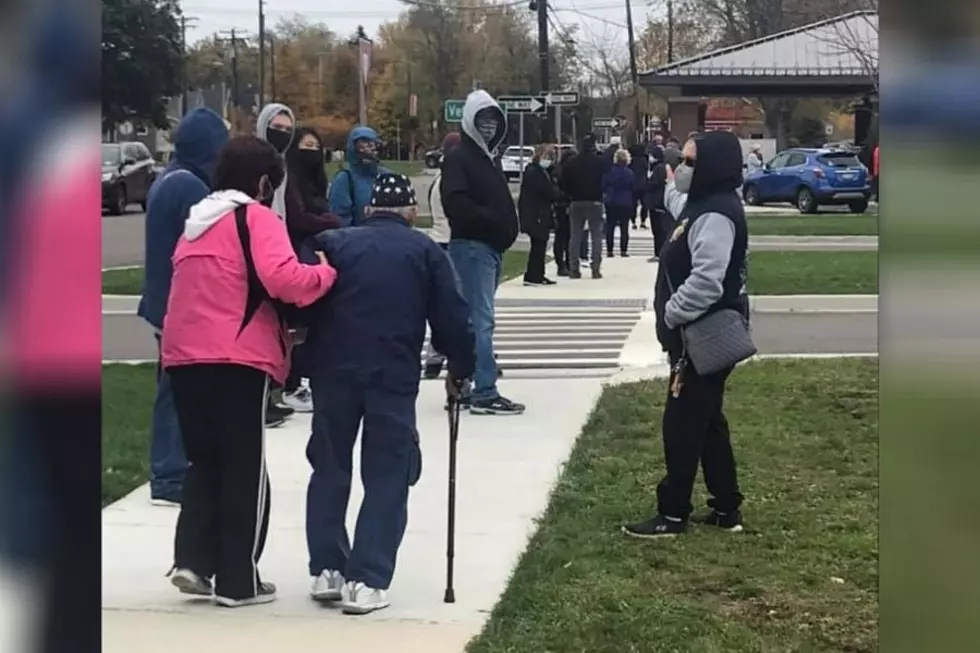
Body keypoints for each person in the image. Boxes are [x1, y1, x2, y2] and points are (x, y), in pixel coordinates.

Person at [162, 135, 337, 606]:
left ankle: (194, 562)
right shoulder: (255, 217)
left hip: (182, 357)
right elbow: (285, 280)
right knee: (244, 467)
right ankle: (239, 580)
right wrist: (324, 272)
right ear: (263, 182)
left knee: (205, 462)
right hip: (237, 357)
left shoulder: (195, 224)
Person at [303, 173, 475, 615]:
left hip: (331, 372)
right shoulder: (423, 251)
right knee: (388, 473)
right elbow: (452, 317)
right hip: (391, 375)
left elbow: (303, 293)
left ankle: (327, 568)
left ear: (368, 210)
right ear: (411, 213)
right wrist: (460, 368)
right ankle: (367, 578)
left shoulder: (334, 243)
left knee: (329, 466)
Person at [623, 131, 748, 539]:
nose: (681, 169)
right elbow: (674, 201)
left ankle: (672, 514)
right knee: (708, 421)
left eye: (691, 162)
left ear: (711, 166)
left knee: (682, 425)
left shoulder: (715, 215)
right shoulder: (701, 206)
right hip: (697, 334)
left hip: (702, 334)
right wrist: (664, 173)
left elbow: (708, 282)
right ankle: (726, 507)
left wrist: (671, 314)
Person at [137, 107, 229, 507]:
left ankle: (171, 470)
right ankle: (169, 476)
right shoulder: (191, 188)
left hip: (162, 300)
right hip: (179, 304)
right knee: (178, 393)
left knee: (173, 389)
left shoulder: (169, 179)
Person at [441, 89, 524, 415]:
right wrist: (491, 222)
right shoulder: (460, 157)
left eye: (493, 120)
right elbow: (456, 203)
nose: (488, 126)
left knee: (474, 321)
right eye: (483, 120)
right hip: (473, 248)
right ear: (469, 121)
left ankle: (463, 382)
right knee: (481, 321)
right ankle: (485, 391)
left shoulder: (487, 158)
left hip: (488, 249)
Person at [280, 126, 343, 412]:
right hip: (293, 252)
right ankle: (289, 384)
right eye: (306, 145)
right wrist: (329, 221)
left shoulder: (318, 181)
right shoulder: (289, 179)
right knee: (294, 322)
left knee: (310, 322)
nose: (312, 152)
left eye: (316, 146)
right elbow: (298, 216)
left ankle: (300, 379)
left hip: (314, 251)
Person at [255, 103, 300, 427]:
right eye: (276, 128)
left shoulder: (283, 165)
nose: (281, 134)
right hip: (258, 252)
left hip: (279, 249)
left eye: (287, 130)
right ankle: (260, 399)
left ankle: (273, 394)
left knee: (277, 329)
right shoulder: (254, 162)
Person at [422, 131, 462, 380]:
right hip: (449, 242)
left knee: (444, 305)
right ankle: (447, 355)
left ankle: (435, 357)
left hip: (441, 241)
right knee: (454, 307)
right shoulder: (450, 179)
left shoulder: (441, 177)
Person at [560, 133, 606, 279]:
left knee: (575, 236)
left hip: (576, 201)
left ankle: (574, 268)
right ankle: (595, 268)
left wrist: (569, 195)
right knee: (596, 236)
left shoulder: (571, 163)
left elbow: (563, 182)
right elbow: (606, 180)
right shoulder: (600, 162)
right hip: (595, 201)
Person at [329, 125, 389, 226]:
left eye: (372, 144)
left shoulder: (388, 176)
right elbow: (340, 218)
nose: (368, 149)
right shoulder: (345, 179)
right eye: (362, 145)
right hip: (358, 238)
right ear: (353, 148)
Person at [519, 143, 560, 285]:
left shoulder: (539, 172)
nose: (549, 160)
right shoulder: (535, 173)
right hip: (536, 214)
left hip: (539, 213)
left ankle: (537, 273)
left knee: (540, 245)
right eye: (547, 156)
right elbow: (548, 192)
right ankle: (533, 275)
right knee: (538, 244)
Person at [602, 148, 635, 258]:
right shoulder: (630, 173)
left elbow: (604, 185)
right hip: (625, 201)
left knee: (610, 226)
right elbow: (633, 187)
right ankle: (623, 250)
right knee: (624, 227)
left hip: (611, 200)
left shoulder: (609, 172)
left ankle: (610, 250)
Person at [552, 146, 576, 277]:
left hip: (563, 206)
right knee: (564, 237)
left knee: (564, 237)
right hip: (563, 206)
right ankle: (563, 264)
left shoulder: (559, 170)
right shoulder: (561, 172)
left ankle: (564, 263)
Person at [644, 144, 670, 261]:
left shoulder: (658, 168)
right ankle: (659, 253)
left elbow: (653, 184)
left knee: (658, 230)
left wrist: (648, 181)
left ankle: (659, 253)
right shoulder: (662, 167)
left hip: (657, 202)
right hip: (660, 202)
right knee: (660, 230)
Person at [628, 143, 650, 229]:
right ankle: (643, 221)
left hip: (633, 185)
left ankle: (633, 222)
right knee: (645, 204)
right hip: (643, 184)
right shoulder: (644, 160)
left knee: (633, 204)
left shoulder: (631, 160)